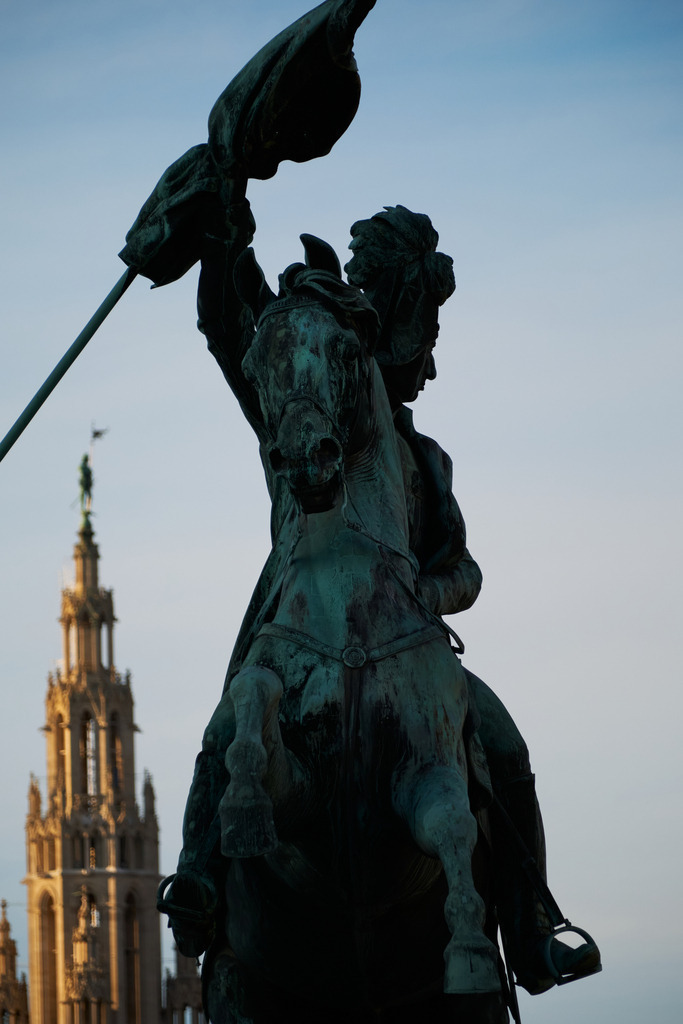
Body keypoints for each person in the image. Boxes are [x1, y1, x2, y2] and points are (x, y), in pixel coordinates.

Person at [161, 200, 600, 997]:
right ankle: (196, 881)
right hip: (296, 625)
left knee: (502, 745)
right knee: (229, 726)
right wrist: (225, 235)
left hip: (406, 643)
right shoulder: (299, 433)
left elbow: (463, 568)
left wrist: (423, 590)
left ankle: (530, 927)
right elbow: (236, 327)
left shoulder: (425, 462)